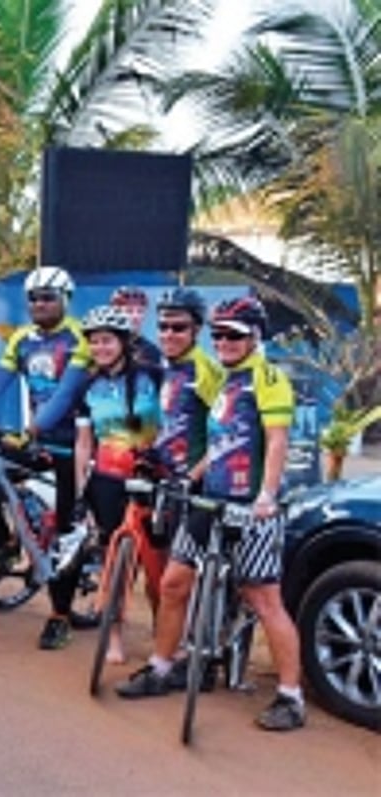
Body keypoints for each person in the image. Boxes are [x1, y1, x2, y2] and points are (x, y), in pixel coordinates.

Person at [117, 295, 306, 732]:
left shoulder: (268, 377)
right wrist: (191, 477)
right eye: (218, 334)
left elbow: (277, 441)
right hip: (209, 499)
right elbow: (218, 445)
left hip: (251, 507)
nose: (223, 342)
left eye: (233, 335)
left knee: (264, 599)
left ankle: (291, 697)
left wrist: (266, 496)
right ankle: (162, 667)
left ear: (255, 336)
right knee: (173, 583)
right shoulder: (224, 379)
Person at [0, 265, 93, 649]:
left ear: (66, 300)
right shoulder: (22, 338)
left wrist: (32, 430)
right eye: (33, 298)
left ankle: (60, 616)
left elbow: (66, 395)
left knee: (65, 531)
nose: (39, 304)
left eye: (48, 297)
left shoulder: (80, 338)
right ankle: (3, 545)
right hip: (38, 439)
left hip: (73, 445)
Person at [73, 305, 165, 664]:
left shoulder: (151, 377)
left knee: (156, 566)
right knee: (114, 563)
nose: (100, 347)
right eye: (95, 341)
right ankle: (113, 638)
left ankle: (163, 632)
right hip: (106, 480)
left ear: (124, 342)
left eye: (107, 340)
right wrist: (81, 490)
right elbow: (84, 444)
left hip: (148, 475)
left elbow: (166, 426)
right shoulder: (89, 386)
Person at [153, 287, 222, 477]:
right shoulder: (165, 365)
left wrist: (191, 478)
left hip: (192, 482)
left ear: (197, 329)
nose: (168, 334)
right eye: (163, 327)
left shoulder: (205, 370)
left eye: (178, 328)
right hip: (163, 476)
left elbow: (227, 436)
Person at [111, 285, 163, 367]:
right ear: (115, 313)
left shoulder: (151, 351)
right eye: (129, 311)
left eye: (140, 311)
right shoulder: (102, 345)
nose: (136, 316)